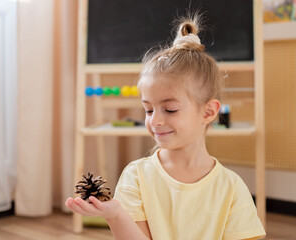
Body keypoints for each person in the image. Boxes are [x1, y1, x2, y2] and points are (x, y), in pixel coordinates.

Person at [66, 15, 266, 240]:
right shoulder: (136, 176)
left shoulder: (231, 188)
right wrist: (115, 216)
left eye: (170, 110)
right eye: (149, 110)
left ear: (209, 112)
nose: (155, 121)